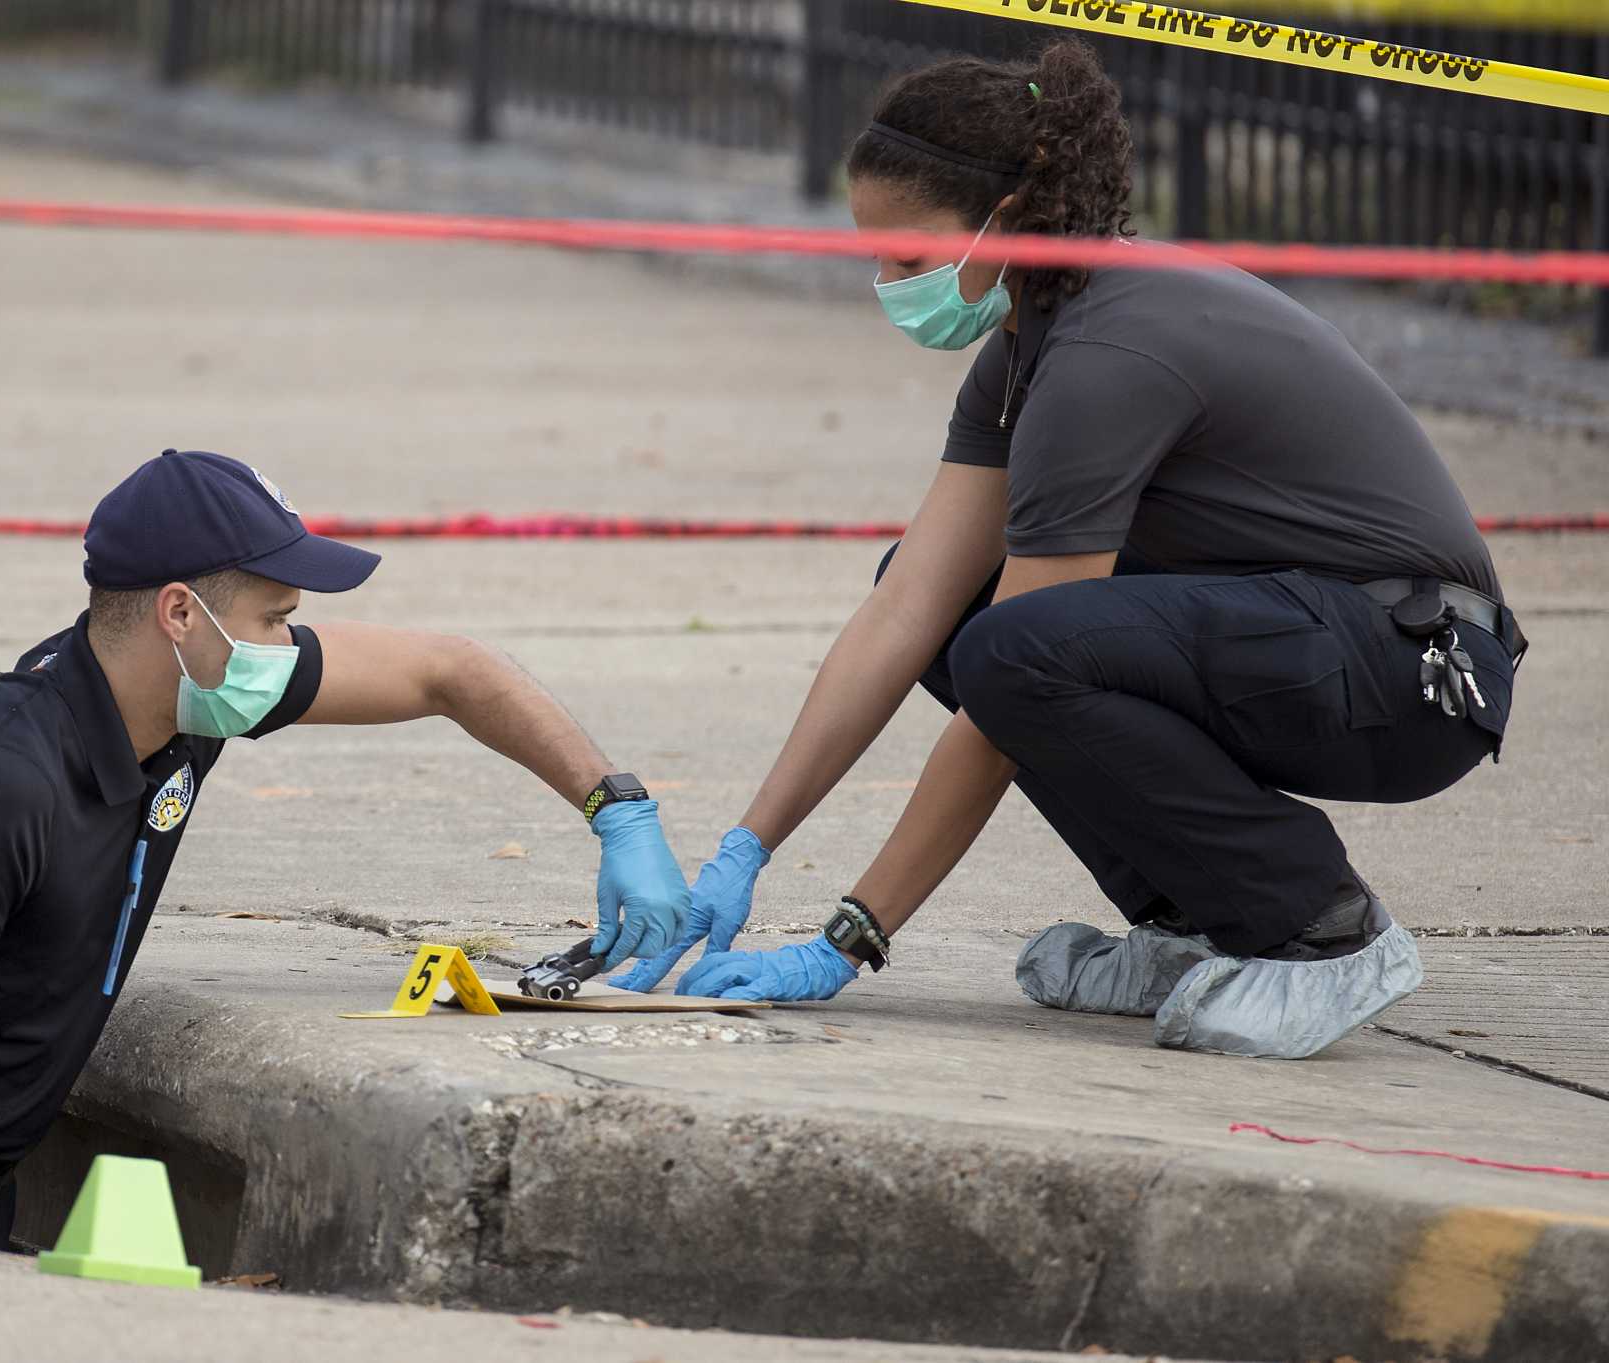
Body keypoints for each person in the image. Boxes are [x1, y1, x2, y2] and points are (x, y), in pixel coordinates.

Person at [614, 40, 1523, 1060]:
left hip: (1412, 676)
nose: (884, 283)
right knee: (959, 621)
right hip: (1314, 636)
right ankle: (1192, 922)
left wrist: (847, 937)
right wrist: (744, 849)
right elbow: (903, 609)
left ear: (1003, 223)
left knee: (1011, 650)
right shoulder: (1030, 340)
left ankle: (1320, 930)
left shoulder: (1102, 357)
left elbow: (1019, 670)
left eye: (907, 257)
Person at [0, 449, 689, 1245]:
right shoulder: (2, 787)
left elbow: (450, 671)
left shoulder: (183, 703)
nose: (286, 644)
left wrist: (618, 810)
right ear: (180, 612)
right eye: (274, 618)